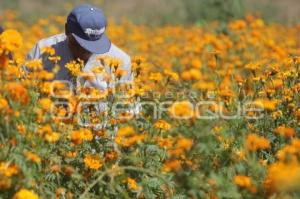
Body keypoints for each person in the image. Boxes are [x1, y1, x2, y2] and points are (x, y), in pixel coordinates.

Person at [27, 4, 132, 91]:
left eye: (93, 47)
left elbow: (127, 107)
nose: (85, 52)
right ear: (67, 30)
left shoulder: (122, 61)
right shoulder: (42, 50)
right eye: (80, 45)